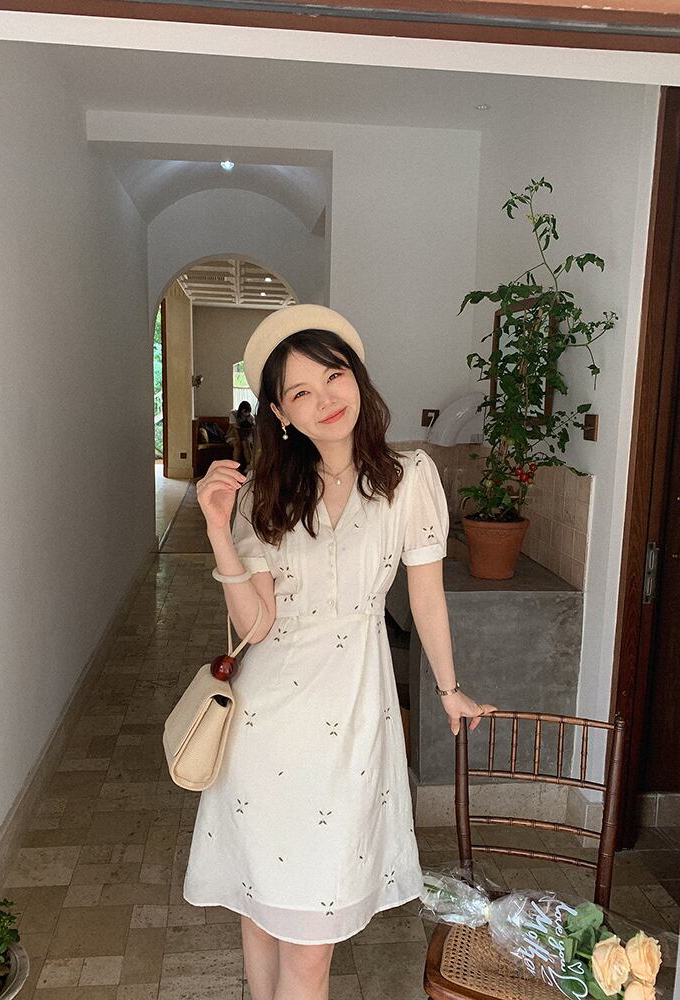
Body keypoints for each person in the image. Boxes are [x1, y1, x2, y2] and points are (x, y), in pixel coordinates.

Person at [185, 304, 496, 1000]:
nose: (325, 399)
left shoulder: (408, 476)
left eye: (334, 376)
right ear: (279, 413)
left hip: (351, 722)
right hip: (264, 729)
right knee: (261, 916)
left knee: (311, 946)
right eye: (301, 391)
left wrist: (449, 689)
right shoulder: (264, 492)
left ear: (356, 376)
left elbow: (426, 599)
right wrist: (217, 531)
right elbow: (256, 624)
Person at [225, 400, 256, 472]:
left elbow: (253, 428)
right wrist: (238, 439)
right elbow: (235, 429)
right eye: (245, 411)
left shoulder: (251, 417)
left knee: (246, 443)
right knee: (237, 444)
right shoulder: (233, 414)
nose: (246, 414)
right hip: (232, 435)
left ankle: (249, 466)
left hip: (246, 436)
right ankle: (235, 467)